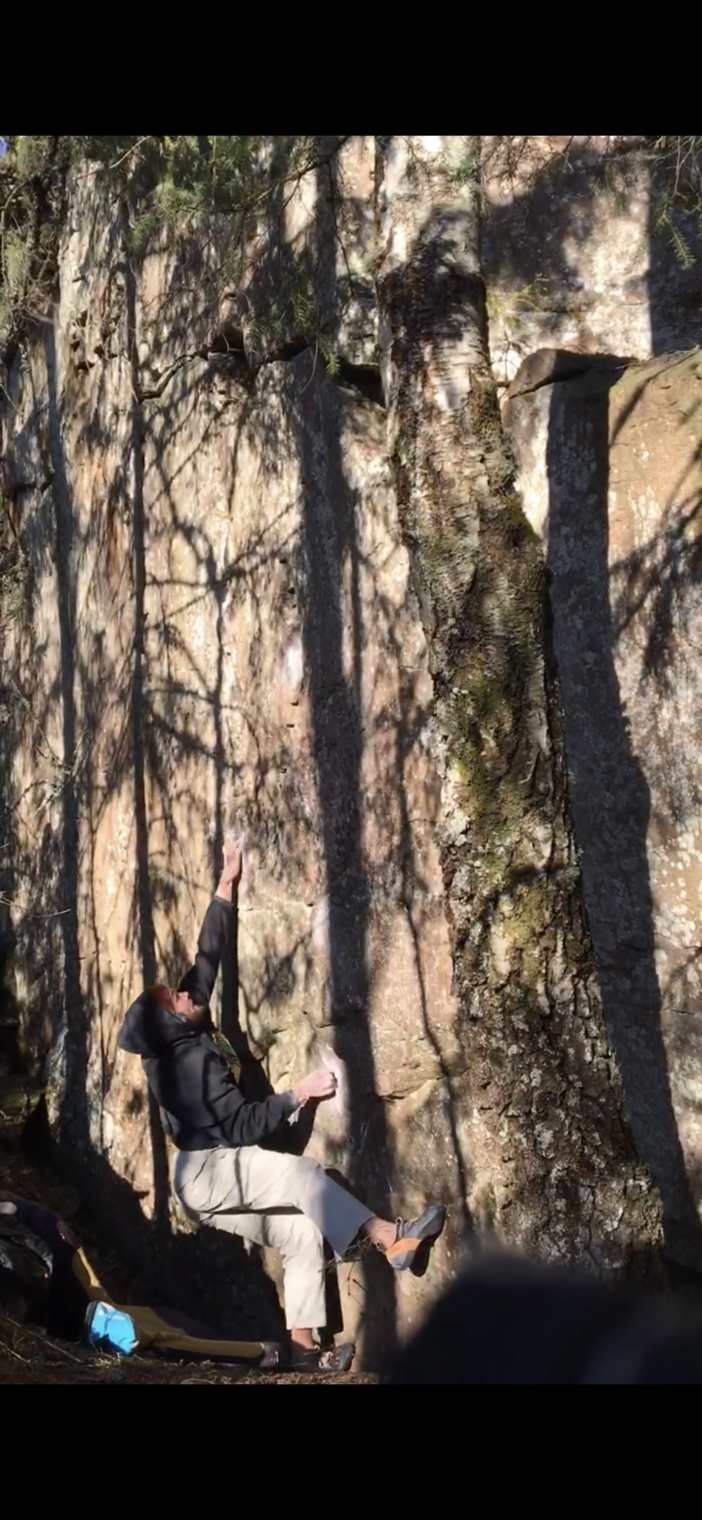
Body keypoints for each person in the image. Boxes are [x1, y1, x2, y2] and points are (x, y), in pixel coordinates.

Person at [118, 837, 446, 1374]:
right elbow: (242, 1126)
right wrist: (300, 1094)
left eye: (178, 993)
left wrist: (226, 882)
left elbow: (206, 959)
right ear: (170, 1024)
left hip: (215, 1164)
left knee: (299, 1231)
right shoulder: (184, 1069)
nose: (187, 994)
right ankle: (390, 1237)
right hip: (207, 1172)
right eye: (176, 1000)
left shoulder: (186, 1021)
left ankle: (302, 1350)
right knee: (303, 1177)